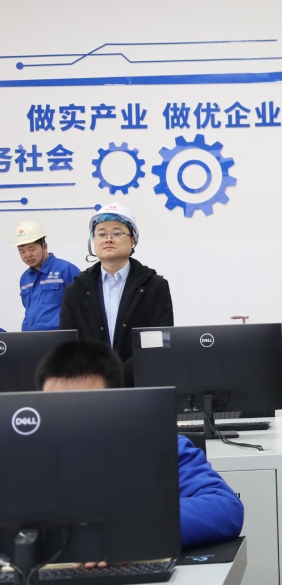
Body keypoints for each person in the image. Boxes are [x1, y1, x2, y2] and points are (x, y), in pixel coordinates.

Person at [36, 339, 244, 549]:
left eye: (83, 406)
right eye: (56, 407)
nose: (70, 419)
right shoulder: (26, 458)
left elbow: (225, 508)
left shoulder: (160, 447)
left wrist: (128, 526)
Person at [59, 203, 173, 386]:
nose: (108, 239)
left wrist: (117, 375)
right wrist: (96, 377)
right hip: (90, 389)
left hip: (141, 386)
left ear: (132, 240)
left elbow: (159, 342)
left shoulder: (155, 287)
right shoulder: (75, 290)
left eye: (117, 233)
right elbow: (68, 346)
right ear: (93, 241)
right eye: (101, 234)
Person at [14, 221, 80, 331]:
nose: (27, 255)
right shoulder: (24, 278)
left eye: (32, 249)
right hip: (29, 337)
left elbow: (83, 307)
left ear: (45, 246)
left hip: (60, 337)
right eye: (22, 251)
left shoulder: (66, 269)